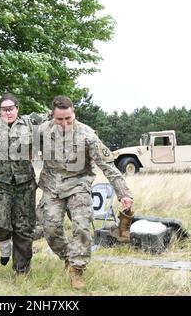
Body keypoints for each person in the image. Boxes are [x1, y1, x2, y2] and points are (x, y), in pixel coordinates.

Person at [37, 95, 134, 289]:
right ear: (52, 116)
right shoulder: (42, 129)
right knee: (50, 229)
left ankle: (77, 268)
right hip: (52, 186)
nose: (64, 123)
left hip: (78, 185)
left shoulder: (87, 135)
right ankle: (68, 257)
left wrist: (124, 193)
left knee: (81, 227)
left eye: (68, 119)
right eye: (59, 119)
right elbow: (18, 122)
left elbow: (108, 167)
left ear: (74, 114)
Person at [0, 93, 50, 275]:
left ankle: (22, 270)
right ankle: (5, 245)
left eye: (11, 109)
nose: (8, 112)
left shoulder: (30, 122)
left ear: (17, 109)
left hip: (24, 184)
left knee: (24, 228)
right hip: (0, 182)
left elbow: (53, 114)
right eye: (4, 109)